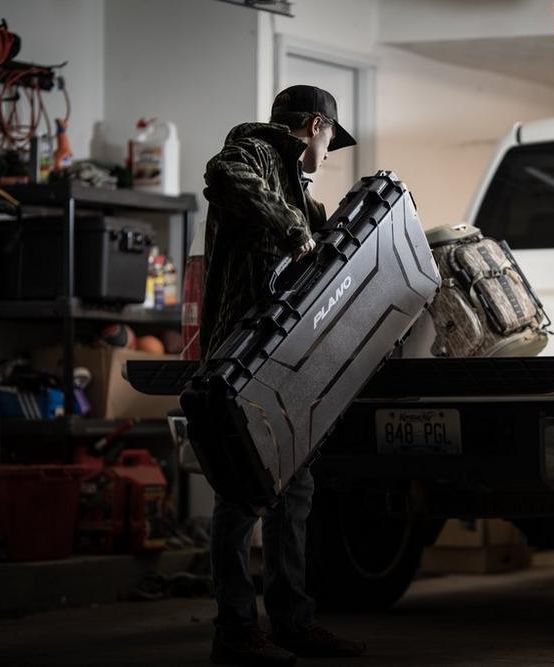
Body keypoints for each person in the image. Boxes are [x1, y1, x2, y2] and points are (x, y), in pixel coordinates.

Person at [199, 85, 366, 666]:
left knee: (293, 489)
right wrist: (294, 229)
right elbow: (225, 175)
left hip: (284, 358)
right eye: (329, 140)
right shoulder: (255, 148)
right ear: (316, 126)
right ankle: (235, 630)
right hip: (240, 353)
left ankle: (293, 623)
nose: (327, 153)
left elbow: (323, 242)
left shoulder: (300, 189)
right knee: (242, 493)